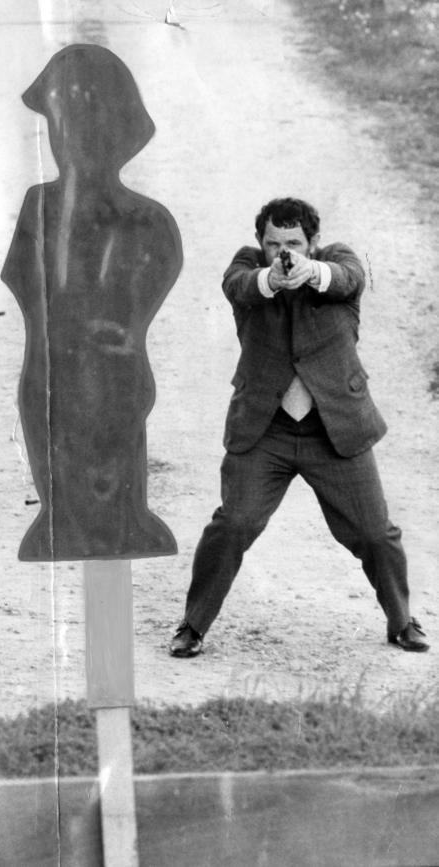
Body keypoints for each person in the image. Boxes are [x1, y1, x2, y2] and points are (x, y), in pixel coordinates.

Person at [170, 197, 429, 658]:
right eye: (273, 243)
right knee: (233, 524)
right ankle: (192, 626)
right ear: (260, 244)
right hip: (265, 430)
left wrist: (311, 272)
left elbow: (349, 277)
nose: (281, 250)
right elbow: (240, 285)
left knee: (376, 534)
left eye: (293, 243)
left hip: (334, 430)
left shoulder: (338, 262)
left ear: (313, 242)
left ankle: (402, 620)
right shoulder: (248, 267)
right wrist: (272, 277)